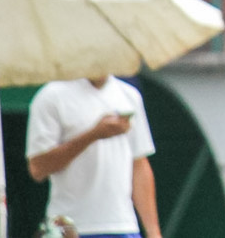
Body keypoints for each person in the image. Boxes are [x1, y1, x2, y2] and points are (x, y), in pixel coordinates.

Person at [25, 76, 163, 238]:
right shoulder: (51, 96)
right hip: (70, 228)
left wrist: (153, 231)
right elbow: (38, 168)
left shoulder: (129, 95)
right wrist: (94, 134)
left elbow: (139, 165)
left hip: (123, 226)